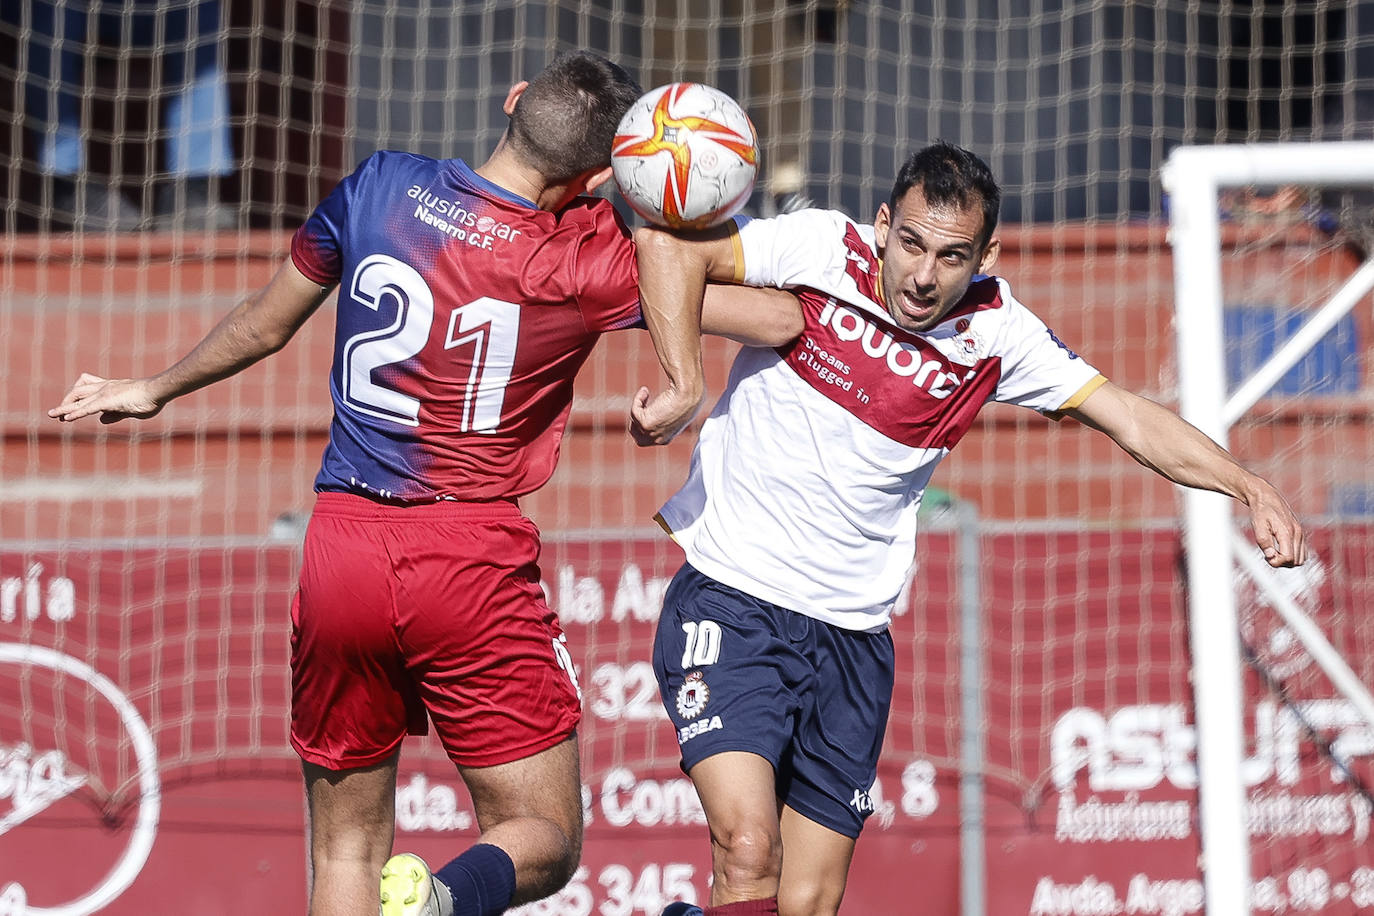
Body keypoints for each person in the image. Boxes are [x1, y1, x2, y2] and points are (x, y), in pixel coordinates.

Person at [48, 51, 798, 916]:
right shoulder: (587, 257)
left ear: (511, 99)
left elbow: (264, 323)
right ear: (597, 177)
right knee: (543, 836)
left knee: (346, 847)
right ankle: (440, 901)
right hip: (465, 554)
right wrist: (665, 233)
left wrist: (154, 387)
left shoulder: (378, 185)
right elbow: (776, 317)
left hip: (340, 545)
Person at [630, 141, 1307, 916]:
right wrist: (689, 374)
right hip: (734, 598)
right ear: (884, 224)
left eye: (951, 257)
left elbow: (1128, 416)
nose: (923, 275)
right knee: (747, 847)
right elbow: (661, 246)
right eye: (910, 243)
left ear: (985, 256)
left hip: (853, 638)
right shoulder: (822, 246)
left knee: (807, 901)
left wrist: (1248, 486)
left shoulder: (996, 334)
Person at [20, 0, 234, 230]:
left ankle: (192, 192)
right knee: (49, 9)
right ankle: (66, 187)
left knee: (198, 7)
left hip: (148, 9)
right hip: (64, 10)